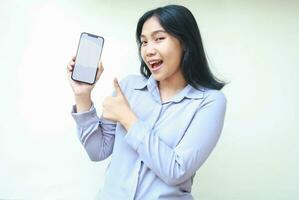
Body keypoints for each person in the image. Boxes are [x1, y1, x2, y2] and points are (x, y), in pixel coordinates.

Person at [67, 4, 226, 200]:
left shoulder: (209, 102)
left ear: (185, 42)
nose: (148, 50)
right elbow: (97, 150)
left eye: (159, 39)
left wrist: (128, 118)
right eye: (143, 42)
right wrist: (82, 95)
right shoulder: (129, 87)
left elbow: (176, 170)